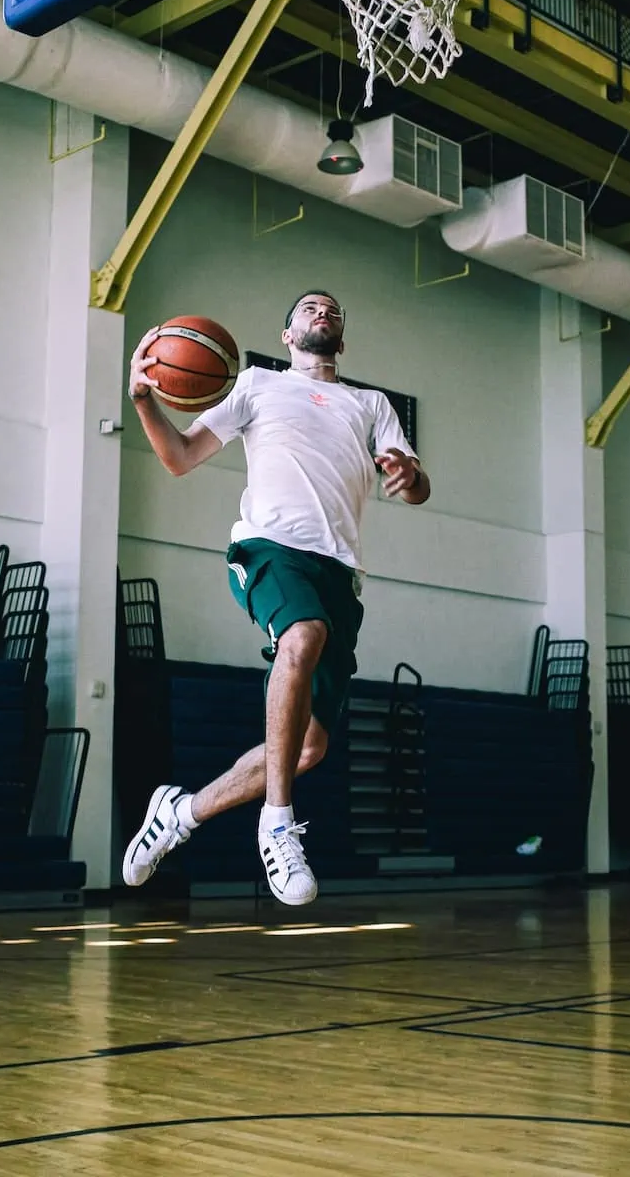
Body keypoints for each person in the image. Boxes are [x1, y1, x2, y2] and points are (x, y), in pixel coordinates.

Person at [119, 291, 429, 905]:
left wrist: (407, 473)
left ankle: (180, 814)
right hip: (270, 547)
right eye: (311, 307)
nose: (324, 312)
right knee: (302, 634)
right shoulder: (258, 384)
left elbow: (416, 489)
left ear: (342, 335)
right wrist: (143, 401)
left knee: (309, 747)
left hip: (339, 570)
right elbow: (180, 457)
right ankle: (278, 823)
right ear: (287, 333)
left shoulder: (372, 406)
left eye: (334, 309)